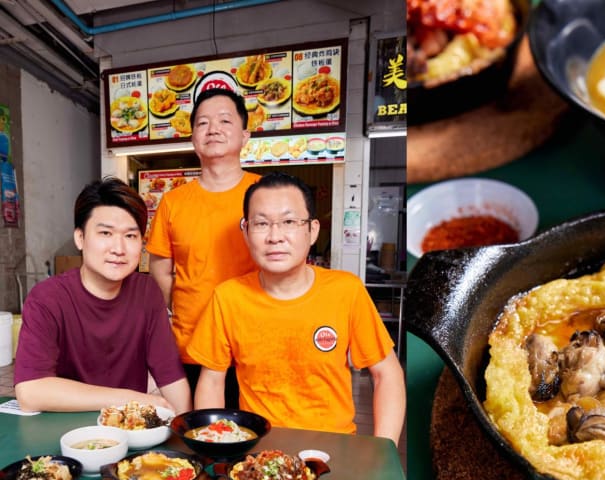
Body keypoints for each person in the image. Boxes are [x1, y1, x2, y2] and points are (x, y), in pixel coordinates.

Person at [187, 172, 405, 445]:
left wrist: (384, 450)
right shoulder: (228, 297)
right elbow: (212, 382)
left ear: (312, 230)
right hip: (257, 448)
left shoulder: (345, 291)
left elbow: (387, 373)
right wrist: (217, 446)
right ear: (245, 231)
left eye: (289, 221)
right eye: (261, 223)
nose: (275, 236)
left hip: (332, 449)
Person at [13, 177, 191, 414]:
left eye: (130, 236)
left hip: (128, 430)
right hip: (64, 431)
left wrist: (187, 434)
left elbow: (170, 377)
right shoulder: (47, 298)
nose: (119, 248)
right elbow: (31, 391)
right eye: (106, 233)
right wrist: (131, 399)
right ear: (80, 238)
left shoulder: (147, 292)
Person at [145, 87, 259, 408]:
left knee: (254, 443)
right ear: (193, 138)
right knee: (194, 436)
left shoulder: (265, 192)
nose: (213, 129)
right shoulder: (173, 202)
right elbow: (160, 267)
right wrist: (181, 308)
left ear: (244, 135)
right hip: (190, 346)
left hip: (254, 345)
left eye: (225, 120)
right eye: (203, 123)